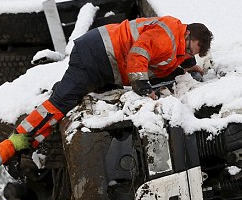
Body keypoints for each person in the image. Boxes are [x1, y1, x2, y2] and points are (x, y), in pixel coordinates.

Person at [16, 16, 212, 147]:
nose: (187, 54)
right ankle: (20, 140)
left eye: (191, 53)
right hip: (96, 54)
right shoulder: (167, 37)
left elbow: (169, 60)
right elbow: (138, 56)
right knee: (62, 101)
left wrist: (188, 65)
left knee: (74, 95)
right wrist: (143, 88)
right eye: (189, 50)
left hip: (103, 59)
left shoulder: (176, 39)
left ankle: (34, 139)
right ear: (187, 34)